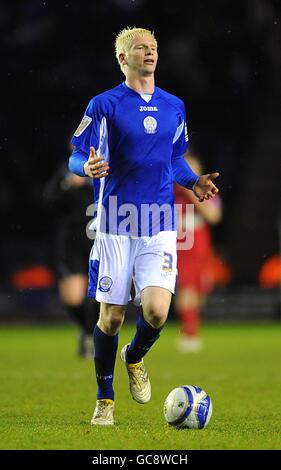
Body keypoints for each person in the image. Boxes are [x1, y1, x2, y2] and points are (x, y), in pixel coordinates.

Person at [68, 27, 219, 425]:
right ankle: (105, 400)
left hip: (159, 223)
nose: (150, 52)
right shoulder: (104, 104)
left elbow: (175, 160)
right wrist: (84, 167)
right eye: (140, 47)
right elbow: (76, 152)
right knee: (112, 317)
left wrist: (194, 182)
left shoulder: (174, 106)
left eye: (153, 47)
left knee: (155, 312)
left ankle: (133, 357)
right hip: (115, 222)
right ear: (123, 58)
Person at [44, 164, 99, 358]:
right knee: (73, 298)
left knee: (104, 296)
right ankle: (87, 331)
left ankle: (98, 337)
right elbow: (49, 201)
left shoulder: (111, 165)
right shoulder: (68, 172)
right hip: (72, 243)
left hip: (104, 241)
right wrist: (68, 184)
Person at [175, 152, 222, 352]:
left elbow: (213, 216)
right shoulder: (168, 190)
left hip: (199, 241)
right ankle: (190, 332)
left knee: (199, 288)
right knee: (187, 288)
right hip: (178, 242)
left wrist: (193, 193)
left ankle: (190, 326)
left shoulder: (206, 189)